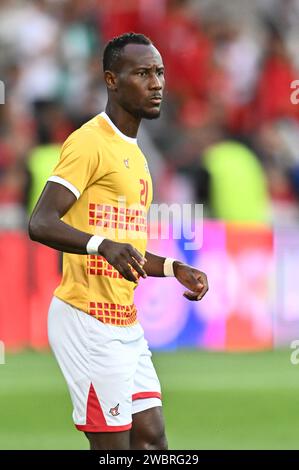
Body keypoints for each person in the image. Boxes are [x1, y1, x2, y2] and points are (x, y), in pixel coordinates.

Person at [28, 32, 208, 451]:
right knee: (115, 449)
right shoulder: (89, 142)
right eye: (142, 73)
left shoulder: (138, 157)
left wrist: (172, 268)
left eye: (159, 72)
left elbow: (127, 250)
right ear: (112, 80)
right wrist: (101, 245)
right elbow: (40, 222)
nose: (157, 83)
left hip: (125, 321)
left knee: (152, 440)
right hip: (87, 320)